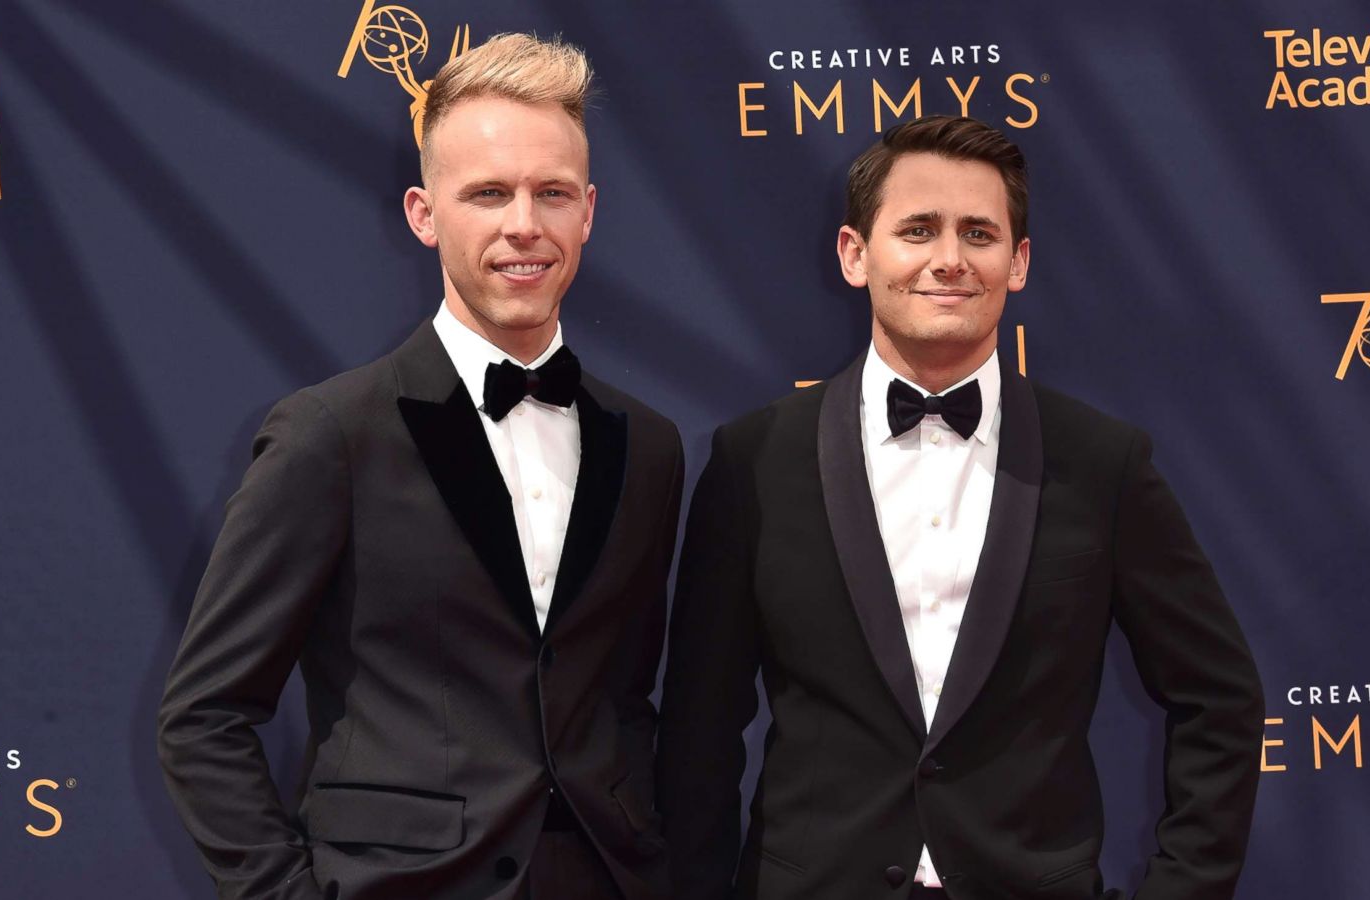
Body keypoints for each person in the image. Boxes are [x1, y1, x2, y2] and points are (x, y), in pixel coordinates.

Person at [657, 115, 1263, 900]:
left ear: (1018, 262)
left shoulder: (1103, 464)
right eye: (917, 230)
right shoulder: (754, 461)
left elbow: (1220, 698)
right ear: (855, 254)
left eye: (979, 233)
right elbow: (698, 736)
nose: (949, 260)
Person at [157, 33, 682, 900]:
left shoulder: (648, 441)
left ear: (587, 211)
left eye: (551, 193)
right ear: (423, 212)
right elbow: (204, 717)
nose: (524, 224)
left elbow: (627, 702)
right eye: (487, 193)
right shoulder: (331, 433)